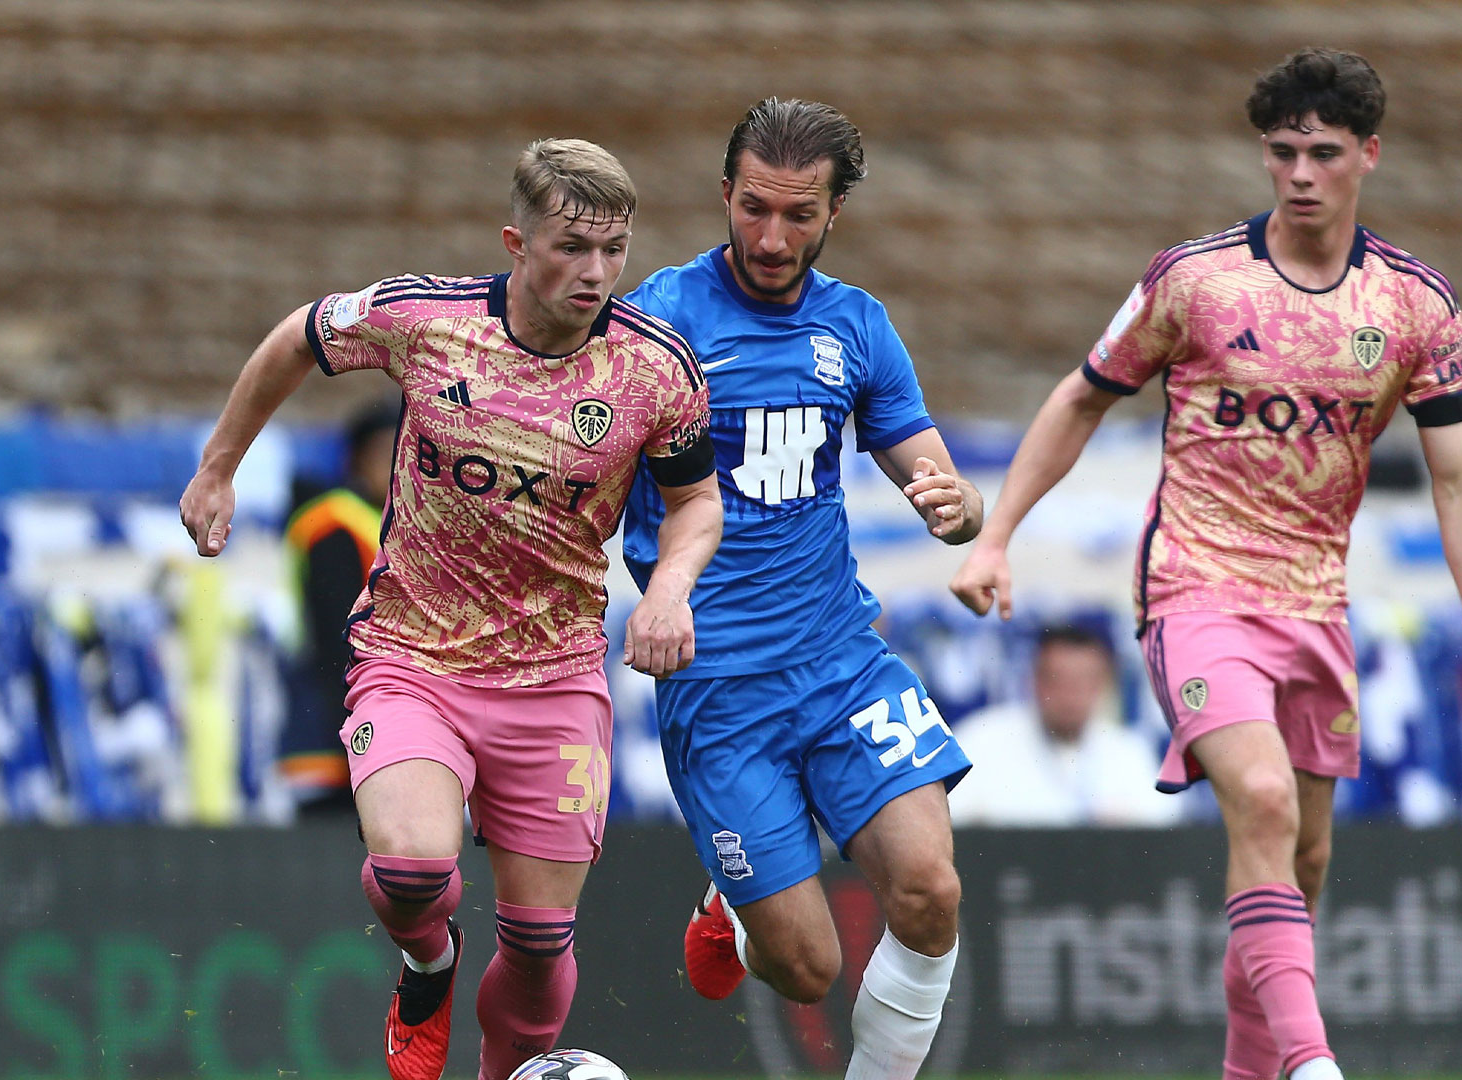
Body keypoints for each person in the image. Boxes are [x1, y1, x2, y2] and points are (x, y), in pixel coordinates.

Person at [950, 49, 1462, 1080]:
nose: (1301, 172)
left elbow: (1456, 481)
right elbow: (1084, 393)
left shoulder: (1415, 309)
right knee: (1258, 800)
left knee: (1299, 867)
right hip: (1196, 585)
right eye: (1282, 151)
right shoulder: (1197, 281)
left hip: (1316, 604)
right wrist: (998, 535)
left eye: (1324, 152)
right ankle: (1314, 1065)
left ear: (1369, 156)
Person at [178, 138, 721, 1080]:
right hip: (414, 659)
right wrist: (220, 464)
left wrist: (669, 587)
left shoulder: (655, 371)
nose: (595, 272)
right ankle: (426, 966)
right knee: (416, 870)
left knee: (543, 947)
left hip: (554, 681)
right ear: (516, 241)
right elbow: (299, 336)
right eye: (571, 247)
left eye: (613, 251)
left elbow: (696, 501)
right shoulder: (425, 321)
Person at [619, 98, 981, 1080]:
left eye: (798, 216)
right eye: (753, 210)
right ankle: (734, 916)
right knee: (810, 969)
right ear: (724, 195)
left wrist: (955, 508)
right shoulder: (663, 318)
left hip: (839, 661)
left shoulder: (857, 326)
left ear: (835, 216)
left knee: (929, 890)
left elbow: (937, 479)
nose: (771, 238)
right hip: (721, 691)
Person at [277, 401, 398, 816]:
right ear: (356, 460)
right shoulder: (334, 523)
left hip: (377, 705)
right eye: (386, 454)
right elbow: (335, 629)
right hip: (336, 710)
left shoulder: (387, 522)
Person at [948, 625, 1178, 827]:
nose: (1071, 695)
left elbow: (1163, 830)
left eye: (1083, 682)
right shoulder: (982, 739)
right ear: (1034, 680)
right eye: (1059, 680)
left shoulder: (1127, 751)